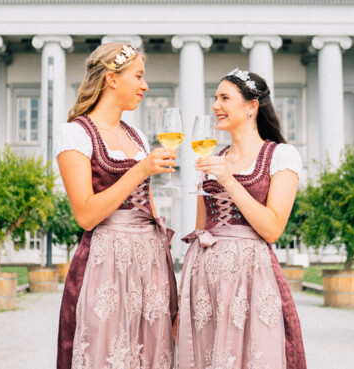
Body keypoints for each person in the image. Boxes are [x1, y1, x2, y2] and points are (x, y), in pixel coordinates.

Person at [55, 42, 178, 369]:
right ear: (112, 79)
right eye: (138, 76)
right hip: (105, 263)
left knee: (151, 354)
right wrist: (141, 169)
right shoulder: (76, 134)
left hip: (148, 263)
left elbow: (149, 208)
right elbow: (86, 214)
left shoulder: (136, 135)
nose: (145, 85)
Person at [176, 68, 307, 369]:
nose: (215, 105)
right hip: (205, 283)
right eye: (214, 97)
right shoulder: (213, 158)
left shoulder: (280, 156)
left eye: (224, 98)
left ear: (251, 107)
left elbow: (272, 229)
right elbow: (200, 229)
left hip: (251, 278)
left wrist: (230, 180)